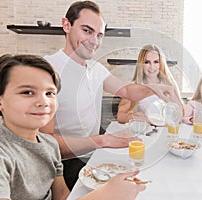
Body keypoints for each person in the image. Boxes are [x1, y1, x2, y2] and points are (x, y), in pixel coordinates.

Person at [40, 1, 178, 190]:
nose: (94, 42)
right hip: (63, 164)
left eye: (99, 35)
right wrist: (102, 140)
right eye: (87, 31)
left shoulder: (96, 68)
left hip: (92, 154)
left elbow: (127, 91)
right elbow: (45, 143)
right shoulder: (48, 70)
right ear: (66, 25)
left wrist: (154, 88)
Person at [0, 54, 145, 200]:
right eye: (27, 92)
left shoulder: (50, 145)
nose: (43, 102)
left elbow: (62, 196)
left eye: (50, 93)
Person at [117, 44, 184, 124]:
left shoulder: (169, 86)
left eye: (156, 62)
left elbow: (180, 116)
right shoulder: (134, 87)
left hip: (165, 132)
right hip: (145, 132)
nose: (152, 66)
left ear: (161, 64)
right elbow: (120, 116)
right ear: (141, 64)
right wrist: (132, 117)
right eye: (147, 62)